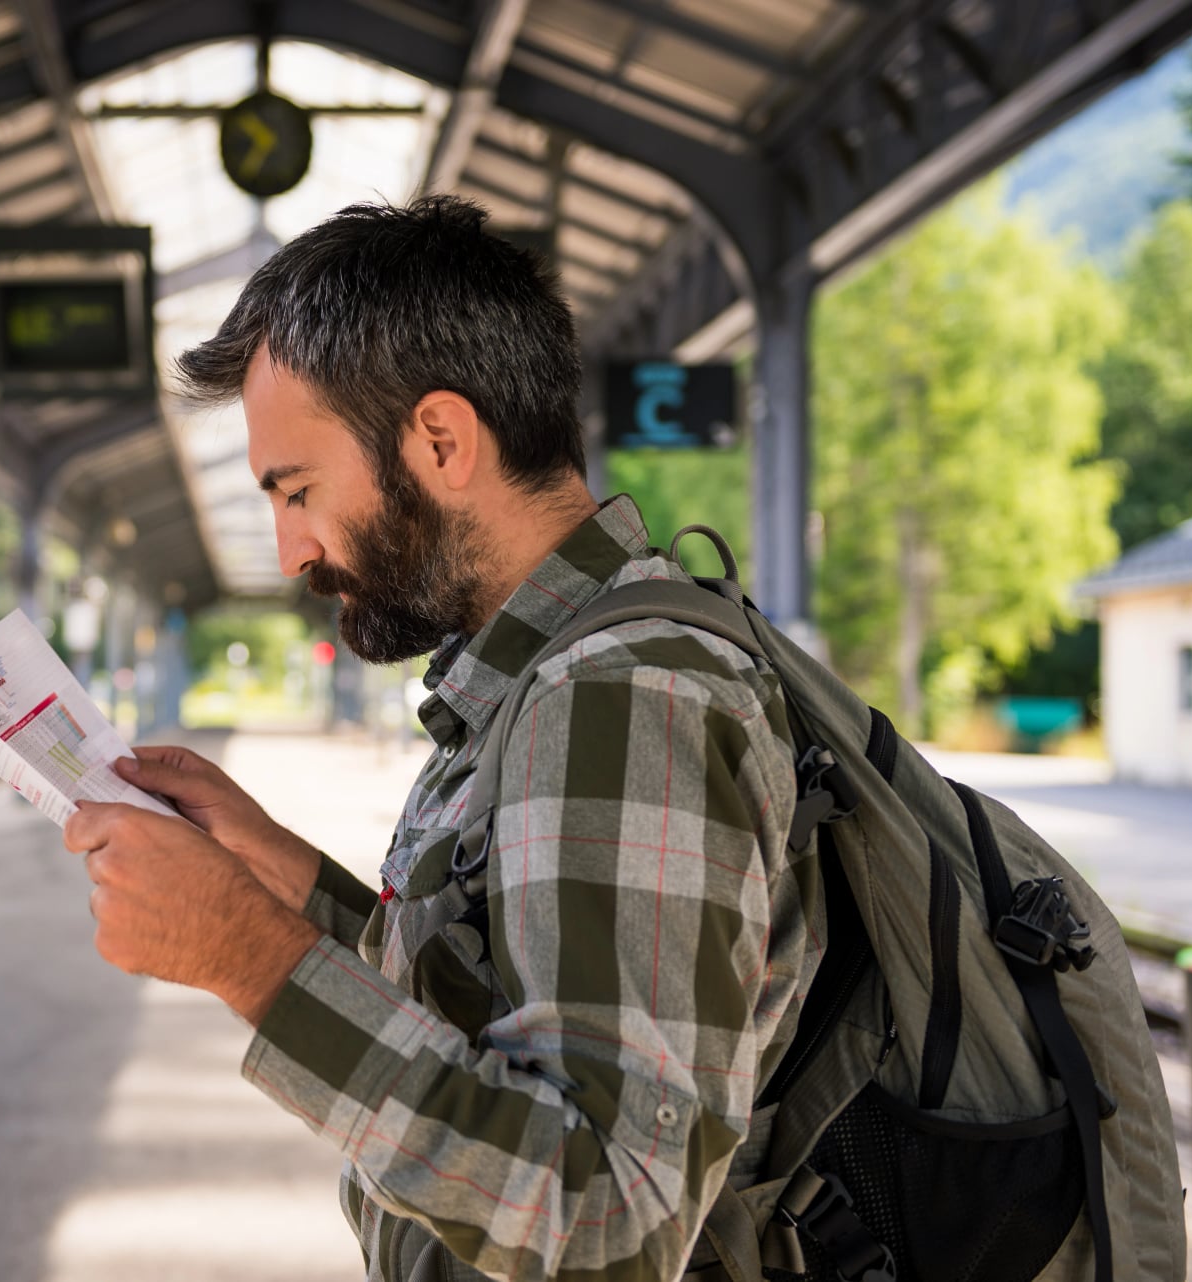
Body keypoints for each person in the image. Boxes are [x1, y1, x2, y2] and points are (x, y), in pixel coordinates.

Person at [63, 196, 822, 1282]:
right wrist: (286, 885)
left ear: (439, 441)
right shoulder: (534, 679)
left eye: (299, 490)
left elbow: (612, 1220)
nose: (289, 551)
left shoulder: (619, 695)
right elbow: (504, 1002)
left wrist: (250, 956)